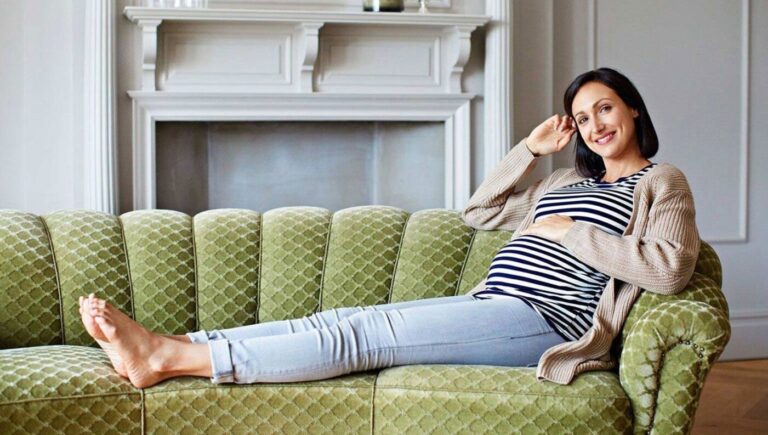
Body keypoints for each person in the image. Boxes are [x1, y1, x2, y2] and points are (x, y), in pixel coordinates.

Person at [80, 67, 700, 388]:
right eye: (581, 117)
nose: (594, 126)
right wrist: (532, 149)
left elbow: (671, 268)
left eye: (604, 110)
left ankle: (166, 358)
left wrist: (570, 236)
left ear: (632, 109)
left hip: (545, 322)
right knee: (338, 322)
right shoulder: (564, 184)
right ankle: (177, 344)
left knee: (366, 334)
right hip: (494, 304)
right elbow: (479, 211)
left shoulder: (659, 182)